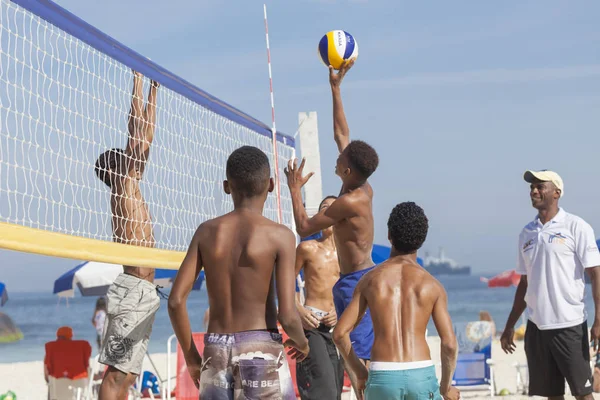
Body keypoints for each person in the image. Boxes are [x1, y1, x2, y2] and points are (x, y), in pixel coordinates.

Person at [168, 146, 309, 399]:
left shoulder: (206, 232)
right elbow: (287, 315)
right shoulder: (280, 235)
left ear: (226, 186)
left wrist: (192, 358)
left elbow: (176, 301)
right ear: (271, 185)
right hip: (261, 347)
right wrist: (302, 342)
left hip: (215, 348)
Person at [284, 59, 379, 390]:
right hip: (349, 281)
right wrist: (335, 88)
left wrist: (295, 189)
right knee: (349, 364)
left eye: (341, 160)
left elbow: (304, 225)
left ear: (348, 170)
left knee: (361, 363)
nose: (337, 157)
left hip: (358, 281)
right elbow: (342, 133)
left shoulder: (349, 201)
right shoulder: (356, 184)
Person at [332, 202, 460, 400]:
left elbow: (340, 334)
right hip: (421, 373)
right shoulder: (432, 286)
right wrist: (445, 387)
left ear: (389, 235)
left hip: (383, 373)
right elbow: (450, 344)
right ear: (422, 240)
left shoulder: (370, 280)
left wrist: (359, 372)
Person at [500, 170, 600, 399]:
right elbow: (524, 284)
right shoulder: (526, 233)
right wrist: (509, 326)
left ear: (556, 192)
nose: (533, 191)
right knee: (551, 395)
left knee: (583, 393)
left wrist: (599, 320)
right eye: (532, 187)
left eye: (539, 186)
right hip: (537, 328)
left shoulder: (576, 226)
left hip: (570, 325)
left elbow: (596, 274)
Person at [94, 70, 161, 400]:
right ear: (115, 167)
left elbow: (144, 136)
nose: (131, 153)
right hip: (134, 288)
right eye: (124, 154)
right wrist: (138, 82)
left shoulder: (130, 184)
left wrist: (154, 91)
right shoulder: (123, 184)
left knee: (128, 375)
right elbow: (138, 133)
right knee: (116, 373)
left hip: (144, 290)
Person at [295, 195, 344, 400]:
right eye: (325, 208)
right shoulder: (307, 248)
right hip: (312, 323)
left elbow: (355, 293)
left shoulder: (348, 254)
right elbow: (285, 286)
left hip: (338, 327)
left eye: (334, 209)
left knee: (336, 387)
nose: (329, 212)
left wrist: (340, 314)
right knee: (323, 391)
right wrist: (299, 309)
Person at [44, 326, 92, 399]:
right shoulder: (82, 346)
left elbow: (46, 371)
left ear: (57, 335)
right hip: (79, 384)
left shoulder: (51, 347)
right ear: (70, 335)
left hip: (58, 386)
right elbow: (87, 366)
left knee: (51, 385)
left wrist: (48, 381)